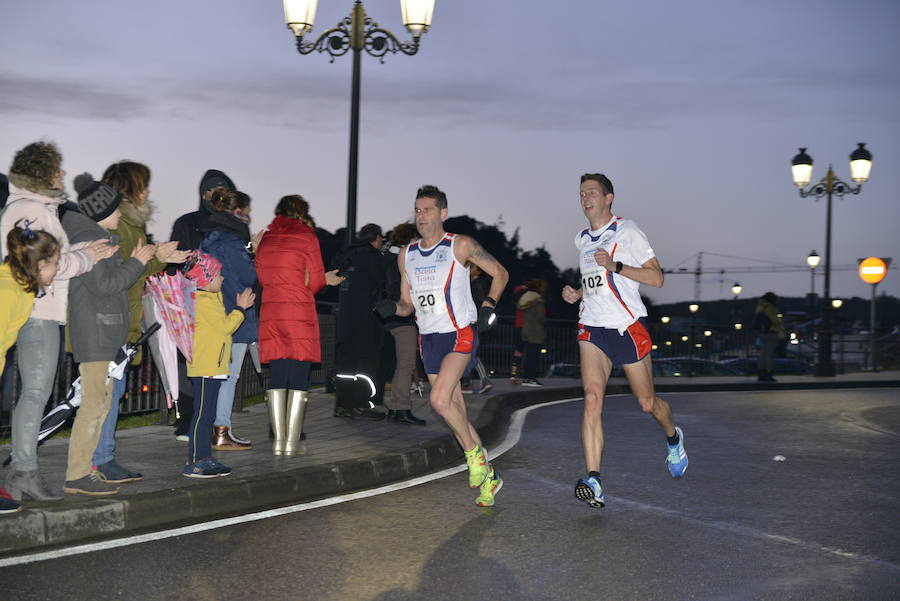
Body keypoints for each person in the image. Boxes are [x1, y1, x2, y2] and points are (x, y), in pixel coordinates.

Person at [562, 173, 688, 509]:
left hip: (626, 327)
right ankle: (595, 480)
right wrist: (578, 292)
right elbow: (594, 279)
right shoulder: (581, 239)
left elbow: (657, 277)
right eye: (581, 193)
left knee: (648, 404)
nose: (585, 198)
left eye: (592, 192)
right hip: (591, 326)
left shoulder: (627, 230)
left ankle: (673, 437)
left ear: (608, 198)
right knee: (591, 398)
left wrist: (617, 265)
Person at [377, 185, 509, 507]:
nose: (421, 216)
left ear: (443, 213)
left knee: (438, 400)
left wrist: (489, 305)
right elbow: (408, 305)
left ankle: (473, 457)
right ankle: (489, 477)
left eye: (428, 210)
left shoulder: (459, 245)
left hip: (459, 334)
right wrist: (392, 308)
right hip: (429, 340)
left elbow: (501, 274)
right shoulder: (407, 254)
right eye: (418, 210)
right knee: (457, 416)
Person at [1, 141, 116, 503]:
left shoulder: (35, 208)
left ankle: (23, 471)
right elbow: (41, 262)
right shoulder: (30, 210)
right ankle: (23, 471)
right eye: (56, 168)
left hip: (39, 308)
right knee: (36, 392)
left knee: (36, 392)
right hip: (38, 311)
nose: (63, 173)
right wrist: (86, 257)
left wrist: (82, 254)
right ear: (42, 172)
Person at [93, 162, 190, 482]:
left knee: (111, 392)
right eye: (143, 185)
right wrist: (150, 257)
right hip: (111, 321)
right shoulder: (116, 225)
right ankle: (100, 459)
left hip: (123, 318)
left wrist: (159, 258)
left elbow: (135, 275)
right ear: (128, 188)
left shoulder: (130, 225)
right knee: (106, 394)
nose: (148, 191)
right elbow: (115, 277)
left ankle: (101, 456)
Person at [61, 175, 156, 495]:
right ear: (101, 211)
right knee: (92, 405)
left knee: (99, 405)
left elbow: (110, 281)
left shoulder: (98, 235)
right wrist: (136, 263)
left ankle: (85, 469)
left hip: (104, 333)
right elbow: (103, 285)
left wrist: (137, 263)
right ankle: (77, 474)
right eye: (115, 209)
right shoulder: (91, 238)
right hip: (96, 334)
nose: (119, 215)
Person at [255, 195, 342, 455]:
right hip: (299, 312)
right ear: (303, 213)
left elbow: (261, 277)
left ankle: (277, 440)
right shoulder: (307, 237)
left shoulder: (267, 239)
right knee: (299, 375)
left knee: (279, 373)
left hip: (272, 313)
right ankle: (291, 442)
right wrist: (323, 280)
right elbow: (315, 282)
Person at [168, 169, 237, 441]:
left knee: (219, 366)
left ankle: (214, 424)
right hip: (191, 303)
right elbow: (174, 263)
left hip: (224, 304)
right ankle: (187, 422)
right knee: (189, 362)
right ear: (202, 193)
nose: (215, 195)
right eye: (211, 189)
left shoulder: (234, 224)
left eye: (222, 189)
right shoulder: (187, 223)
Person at [0, 224, 60, 514]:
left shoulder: (20, 288)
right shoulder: (8, 292)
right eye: (54, 264)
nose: (57, 271)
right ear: (38, 265)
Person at [182, 252, 255, 477]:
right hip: (206, 367)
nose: (222, 279)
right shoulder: (203, 301)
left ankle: (205, 457)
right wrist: (241, 309)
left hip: (212, 365)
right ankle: (195, 461)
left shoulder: (210, 298)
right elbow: (225, 328)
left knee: (208, 415)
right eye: (218, 276)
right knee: (202, 416)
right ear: (206, 279)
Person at [200, 188, 260, 449]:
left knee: (218, 373)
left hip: (214, 311)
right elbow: (248, 277)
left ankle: (213, 428)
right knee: (229, 375)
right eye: (246, 212)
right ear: (237, 212)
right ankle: (221, 431)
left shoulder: (208, 239)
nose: (248, 217)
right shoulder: (232, 242)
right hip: (236, 312)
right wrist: (254, 252)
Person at [333, 223, 388, 420]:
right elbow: (382, 285)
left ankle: (343, 405)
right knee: (367, 363)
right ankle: (363, 404)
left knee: (346, 363)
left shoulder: (347, 255)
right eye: (380, 238)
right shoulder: (374, 258)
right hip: (367, 318)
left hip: (346, 318)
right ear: (376, 238)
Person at [380, 222, 426, 425]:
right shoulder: (405, 258)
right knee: (406, 364)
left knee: (390, 364)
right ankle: (401, 408)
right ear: (409, 239)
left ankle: (392, 407)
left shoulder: (385, 256)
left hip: (385, 316)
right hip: (402, 316)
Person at [460, 264, 494, 395]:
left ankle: (472, 382)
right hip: (473, 319)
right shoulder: (477, 283)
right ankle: (469, 382)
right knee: (468, 350)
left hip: (471, 320)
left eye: (471, 267)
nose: (468, 269)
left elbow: (477, 301)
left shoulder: (477, 283)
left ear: (478, 271)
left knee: (468, 351)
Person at [518, 278, 547, 387]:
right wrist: (545, 321)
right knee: (534, 357)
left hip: (526, 330)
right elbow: (540, 317)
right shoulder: (538, 300)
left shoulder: (526, 298)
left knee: (527, 356)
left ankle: (526, 378)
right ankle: (531, 379)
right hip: (536, 332)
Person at [754, 292, 783, 382]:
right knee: (769, 354)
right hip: (771, 332)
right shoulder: (770, 307)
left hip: (762, 333)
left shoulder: (760, 306)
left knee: (762, 354)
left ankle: (761, 373)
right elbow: (774, 320)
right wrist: (780, 320)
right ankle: (769, 373)